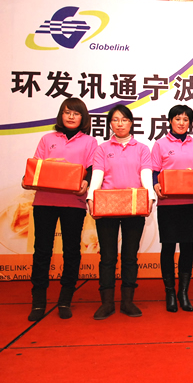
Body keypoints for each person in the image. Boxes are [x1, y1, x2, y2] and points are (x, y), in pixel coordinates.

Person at [22, 98, 98, 321]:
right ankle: (38, 302)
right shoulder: (48, 139)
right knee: (42, 251)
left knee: (71, 251)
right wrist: (26, 179)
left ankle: (65, 299)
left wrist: (87, 182)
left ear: (83, 118)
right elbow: (36, 167)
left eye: (76, 113)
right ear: (61, 115)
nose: (71, 117)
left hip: (74, 203)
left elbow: (92, 170)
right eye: (67, 112)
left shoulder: (90, 142)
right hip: (44, 201)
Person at [87, 104, 156, 319]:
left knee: (130, 256)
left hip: (134, 206)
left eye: (124, 119)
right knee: (107, 257)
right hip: (107, 206)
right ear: (110, 124)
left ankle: (127, 302)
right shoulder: (102, 149)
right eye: (115, 120)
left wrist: (150, 198)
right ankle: (107, 303)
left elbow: (146, 175)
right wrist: (91, 198)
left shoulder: (142, 149)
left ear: (131, 123)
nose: (120, 124)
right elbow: (97, 175)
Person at [152, 105, 193, 312]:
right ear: (170, 121)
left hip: (191, 203)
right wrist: (156, 186)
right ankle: (170, 293)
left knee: (187, 248)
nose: (181, 123)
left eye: (185, 119)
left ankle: (183, 293)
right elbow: (154, 172)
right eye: (177, 119)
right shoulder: (160, 144)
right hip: (168, 204)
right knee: (168, 247)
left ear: (190, 123)